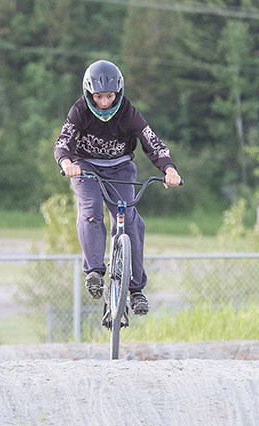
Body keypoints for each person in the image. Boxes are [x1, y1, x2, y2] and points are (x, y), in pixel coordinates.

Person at [54, 60, 182, 316]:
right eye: (99, 97)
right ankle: (94, 271)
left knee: (130, 220)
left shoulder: (128, 113)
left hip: (120, 169)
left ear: (118, 93)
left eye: (109, 96)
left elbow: (152, 142)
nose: (104, 103)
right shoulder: (80, 110)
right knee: (91, 210)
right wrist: (66, 161)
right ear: (89, 93)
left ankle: (136, 290)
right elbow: (64, 140)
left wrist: (169, 169)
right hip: (85, 168)